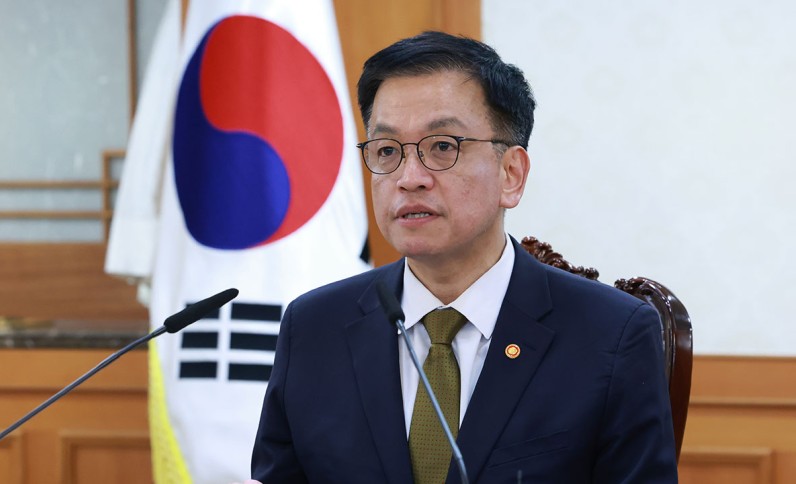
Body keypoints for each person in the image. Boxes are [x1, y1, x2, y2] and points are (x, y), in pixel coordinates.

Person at [250, 31, 677, 483]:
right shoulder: (314, 328)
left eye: (442, 146)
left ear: (511, 174)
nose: (409, 177)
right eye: (388, 150)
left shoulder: (611, 334)